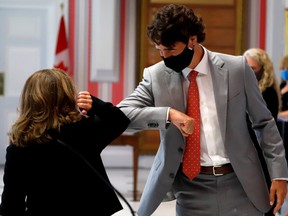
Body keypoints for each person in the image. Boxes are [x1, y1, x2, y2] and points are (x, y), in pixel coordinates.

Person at [117, 4, 288, 216]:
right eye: (159, 50)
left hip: (241, 184)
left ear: (192, 40)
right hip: (191, 188)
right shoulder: (156, 76)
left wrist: (279, 174)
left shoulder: (236, 69)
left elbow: (264, 122)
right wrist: (168, 115)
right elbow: (122, 114)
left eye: (170, 49)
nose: (164, 57)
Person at [0, 68, 130, 216]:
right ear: (68, 96)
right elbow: (120, 120)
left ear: (29, 100)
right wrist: (94, 104)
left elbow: (11, 205)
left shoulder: (20, 145)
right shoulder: (85, 130)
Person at [244, 48, 281, 216]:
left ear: (262, 68)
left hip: (260, 154)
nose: (248, 72)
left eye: (252, 68)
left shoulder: (267, 93)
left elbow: (262, 128)